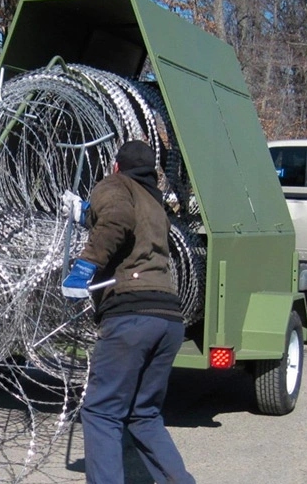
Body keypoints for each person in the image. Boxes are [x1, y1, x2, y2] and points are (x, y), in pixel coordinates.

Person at [61, 140, 195, 484]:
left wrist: (84, 267)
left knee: (102, 412)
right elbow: (126, 220)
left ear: (117, 166)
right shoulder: (154, 201)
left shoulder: (115, 185)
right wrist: (87, 211)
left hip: (130, 317)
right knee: (144, 415)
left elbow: (118, 216)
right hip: (167, 319)